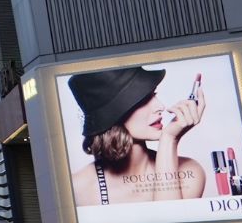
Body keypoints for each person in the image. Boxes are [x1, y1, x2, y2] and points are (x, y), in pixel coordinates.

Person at [69, 64, 208, 207]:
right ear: (112, 116)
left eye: (153, 95)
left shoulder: (188, 172)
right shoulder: (77, 189)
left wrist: (169, 140)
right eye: (142, 100)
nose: (160, 106)